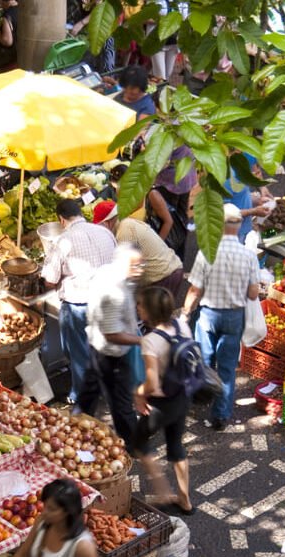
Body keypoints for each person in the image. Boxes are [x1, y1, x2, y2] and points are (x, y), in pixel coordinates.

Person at [183, 203, 259, 430]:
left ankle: (200, 399)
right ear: (238, 225)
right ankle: (221, 415)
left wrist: (185, 314)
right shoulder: (248, 256)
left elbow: (195, 289)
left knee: (204, 361)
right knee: (227, 367)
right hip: (235, 316)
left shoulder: (206, 253)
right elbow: (253, 293)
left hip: (208, 315)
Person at [41, 197, 117, 404]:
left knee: (78, 351)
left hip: (79, 304)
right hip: (107, 300)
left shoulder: (63, 240)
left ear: (62, 220)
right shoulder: (105, 232)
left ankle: (82, 397)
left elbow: (49, 280)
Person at [133, 285, 193, 515]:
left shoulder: (150, 341)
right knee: (176, 445)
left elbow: (152, 383)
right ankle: (185, 499)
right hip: (183, 395)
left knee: (139, 442)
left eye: (140, 305)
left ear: (148, 311)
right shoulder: (181, 325)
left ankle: (163, 492)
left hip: (162, 404)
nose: (137, 308)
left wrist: (138, 393)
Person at [77, 245, 143, 452]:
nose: (140, 269)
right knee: (121, 402)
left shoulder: (108, 272)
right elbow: (112, 334)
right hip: (110, 353)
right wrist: (142, 341)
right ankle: (134, 445)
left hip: (98, 346)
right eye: (136, 265)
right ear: (123, 263)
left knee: (89, 391)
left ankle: (76, 426)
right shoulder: (115, 292)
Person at [93, 199, 184, 298]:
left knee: (152, 312)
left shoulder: (124, 230)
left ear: (107, 223)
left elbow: (125, 270)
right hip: (169, 270)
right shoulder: (127, 223)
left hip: (163, 275)